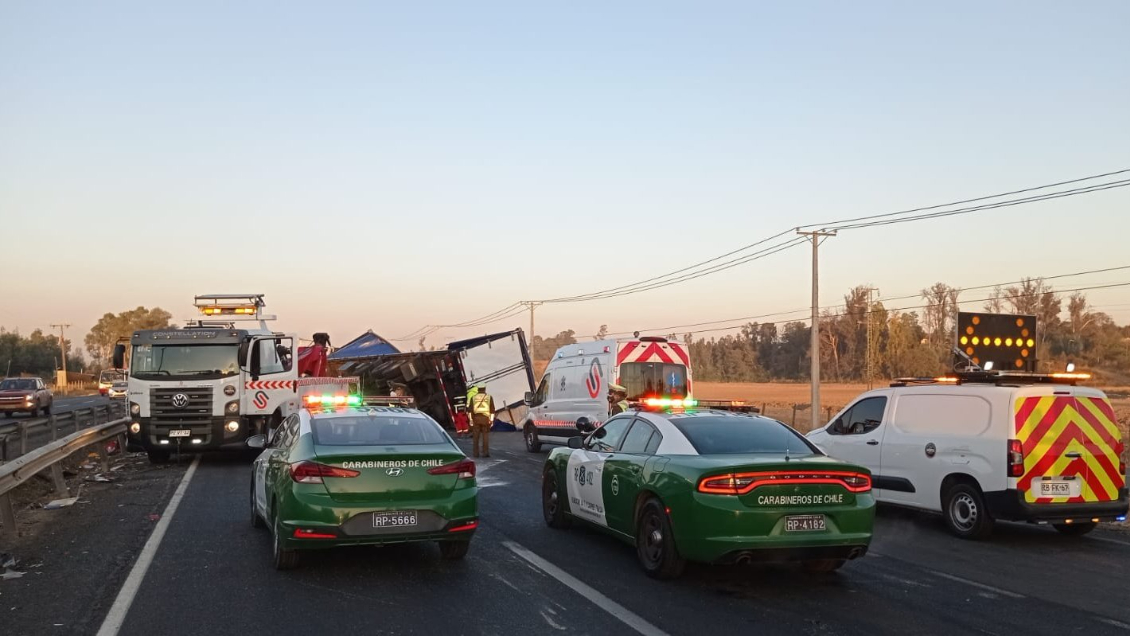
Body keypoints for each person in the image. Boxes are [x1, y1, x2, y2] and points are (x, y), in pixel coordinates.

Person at [469, 384, 495, 458]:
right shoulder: (489, 397)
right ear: (484, 388)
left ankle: (476, 454)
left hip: (476, 418)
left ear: (478, 389)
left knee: (476, 437)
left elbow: (470, 410)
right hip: (485, 418)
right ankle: (485, 453)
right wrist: (492, 420)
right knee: (485, 436)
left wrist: (471, 420)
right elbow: (492, 410)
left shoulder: (473, 397)